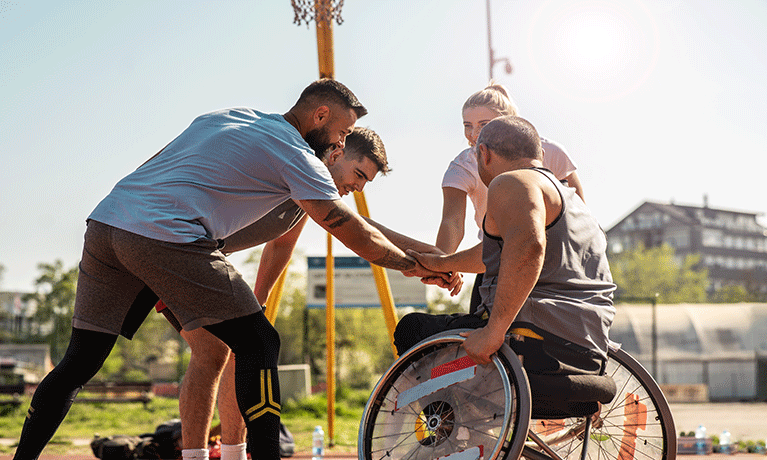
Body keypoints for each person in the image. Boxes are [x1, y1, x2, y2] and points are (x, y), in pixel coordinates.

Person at [13, 79, 454, 460]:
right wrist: (415, 268)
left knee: (80, 362)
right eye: (340, 134)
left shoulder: (232, 117)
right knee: (259, 341)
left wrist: (436, 257)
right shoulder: (297, 157)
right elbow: (353, 232)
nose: (340, 144)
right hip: (166, 237)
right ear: (320, 116)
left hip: (110, 222)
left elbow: (363, 225)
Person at [163, 127, 453, 460]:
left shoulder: (308, 188)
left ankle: (232, 452)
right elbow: (361, 232)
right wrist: (425, 259)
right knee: (213, 351)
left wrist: (258, 298)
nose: (358, 186)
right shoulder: (299, 169)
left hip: (192, 250)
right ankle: (204, 455)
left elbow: (283, 243)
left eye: (366, 182)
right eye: (358, 174)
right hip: (172, 241)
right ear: (337, 153)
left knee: (230, 348)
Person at [396, 115, 616, 381]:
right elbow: (500, 250)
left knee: (412, 328)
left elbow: (529, 247)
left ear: (484, 154)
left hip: (534, 338)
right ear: (541, 155)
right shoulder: (573, 201)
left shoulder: (510, 182)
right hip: (587, 345)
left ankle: (448, 415)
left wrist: (494, 331)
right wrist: (442, 263)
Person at [436, 84, 585, 308]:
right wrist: (443, 264)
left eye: (484, 125)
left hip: (553, 265)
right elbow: (452, 222)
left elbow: (579, 211)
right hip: (494, 263)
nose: (475, 134)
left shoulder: (549, 152)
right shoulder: (463, 165)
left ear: (509, 122)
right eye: (468, 125)